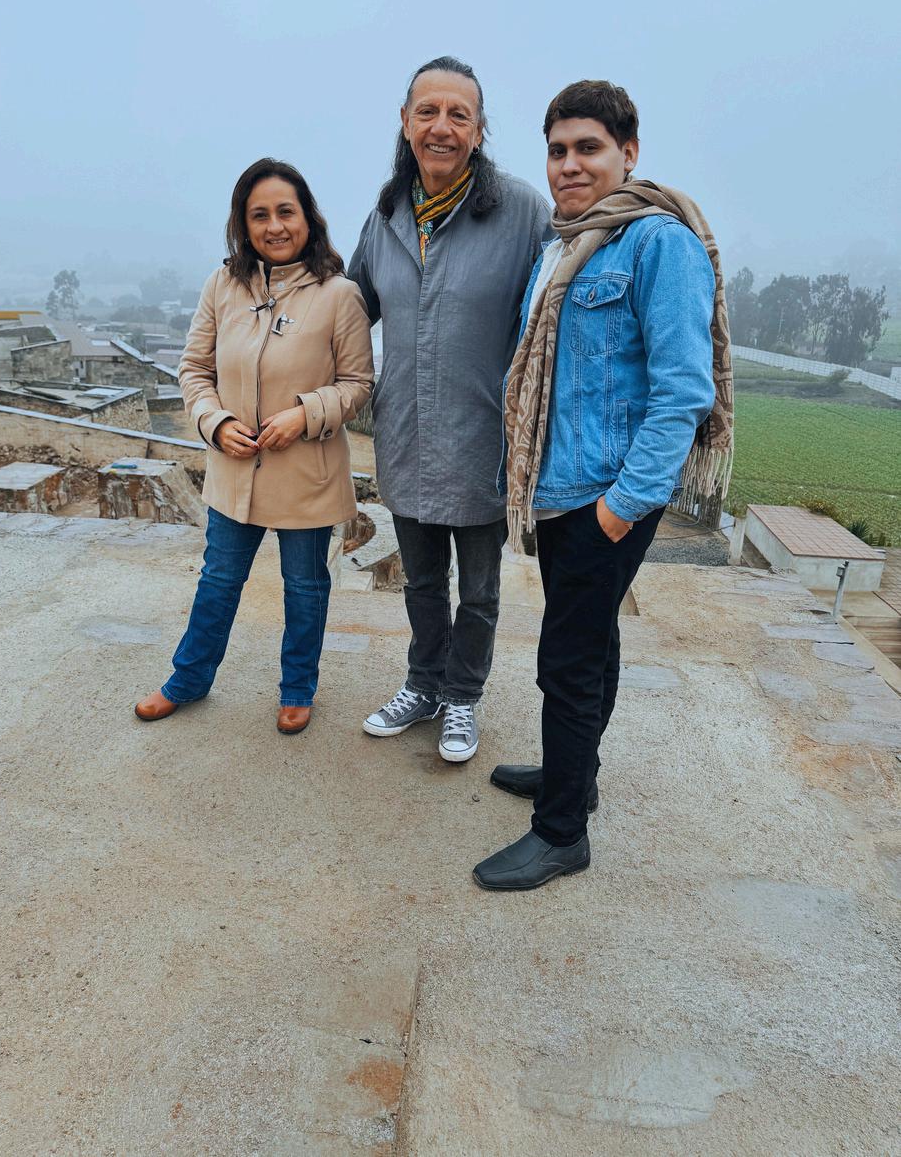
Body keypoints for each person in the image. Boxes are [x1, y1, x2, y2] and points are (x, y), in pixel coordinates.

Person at [473, 80, 733, 890]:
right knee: (591, 643)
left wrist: (619, 508)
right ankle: (573, 777)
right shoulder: (568, 245)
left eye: (588, 148)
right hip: (561, 491)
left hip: (604, 496)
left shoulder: (657, 244)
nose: (570, 165)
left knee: (567, 661)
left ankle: (561, 834)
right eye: (557, 150)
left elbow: (682, 391)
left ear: (629, 152)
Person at [348, 56, 550, 764]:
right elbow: (349, 307)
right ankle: (423, 684)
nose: (442, 127)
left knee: (480, 591)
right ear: (405, 123)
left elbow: (560, 309)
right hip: (405, 432)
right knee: (423, 582)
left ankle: (463, 695)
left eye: (458, 115)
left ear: (479, 130)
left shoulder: (522, 213)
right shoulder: (387, 215)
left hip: (482, 437)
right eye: (427, 112)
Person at [134, 159, 374, 734]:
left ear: (308, 218)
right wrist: (215, 423)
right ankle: (188, 680)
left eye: (285, 212)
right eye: (259, 214)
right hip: (234, 469)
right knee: (218, 581)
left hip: (306, 471)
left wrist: (304, 415)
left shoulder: (339, 295)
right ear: (243, 224)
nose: (274, 226)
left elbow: (358, 385)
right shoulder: (222, 286)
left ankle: (297, 688)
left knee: (305, 587)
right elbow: (194, 369)